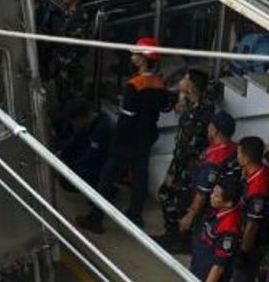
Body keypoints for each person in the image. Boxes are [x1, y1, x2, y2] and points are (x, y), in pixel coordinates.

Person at [77, 38, 170, 233]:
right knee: (140, 178)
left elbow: (126, 119)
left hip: (127, 141)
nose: (132, 57)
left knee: (107, 176)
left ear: (143, 60)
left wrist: (116, 141)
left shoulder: (134, 86)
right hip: (146, 139)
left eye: (136, 54)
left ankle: (96, 217)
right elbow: (165, 106)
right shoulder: (160, 84)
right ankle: (135, 216)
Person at [157, 69, 217, 253]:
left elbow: (196, 142)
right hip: (179, 161)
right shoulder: (189, 103)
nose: (181, 81)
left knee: (183, 202)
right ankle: (171, 234)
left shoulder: (205, 110)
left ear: (191, 85)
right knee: (166, 194)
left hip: (191, 165)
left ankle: (181, 240)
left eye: (185, 79)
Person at [179, 112, 240, 242]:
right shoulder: (234, 148)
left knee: (201, 241)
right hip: (224, 206)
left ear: (216, 130)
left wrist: (190, 216)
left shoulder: (216, 159)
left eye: (210, 125)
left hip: (209, 209)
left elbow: (203, 192)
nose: (208, 128)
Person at [190, 178, 242, 282]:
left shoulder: (229, 227)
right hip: (197, 269)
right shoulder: (217, 210)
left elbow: (218, 267)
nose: (212, 196)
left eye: (217, 196)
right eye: (213, 192)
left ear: (228, 203)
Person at [56, 99, 112, 190]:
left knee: (67, 180)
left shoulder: (102, 129)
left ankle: (106, 189)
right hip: (93, 158)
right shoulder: (87, 124)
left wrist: (69, 167)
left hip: (102, 164)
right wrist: (62, 154)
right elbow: (75, 141)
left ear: (80, 118)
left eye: (74, 121)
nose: (73, 125)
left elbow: (91, 158)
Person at [233, 136, 268, 281]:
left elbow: (252, 226)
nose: (237, 156)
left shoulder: (258, 187)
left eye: (239, 153)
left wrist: (244, 252)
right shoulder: (252, 172)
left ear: (246, 158)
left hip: (255, 242)